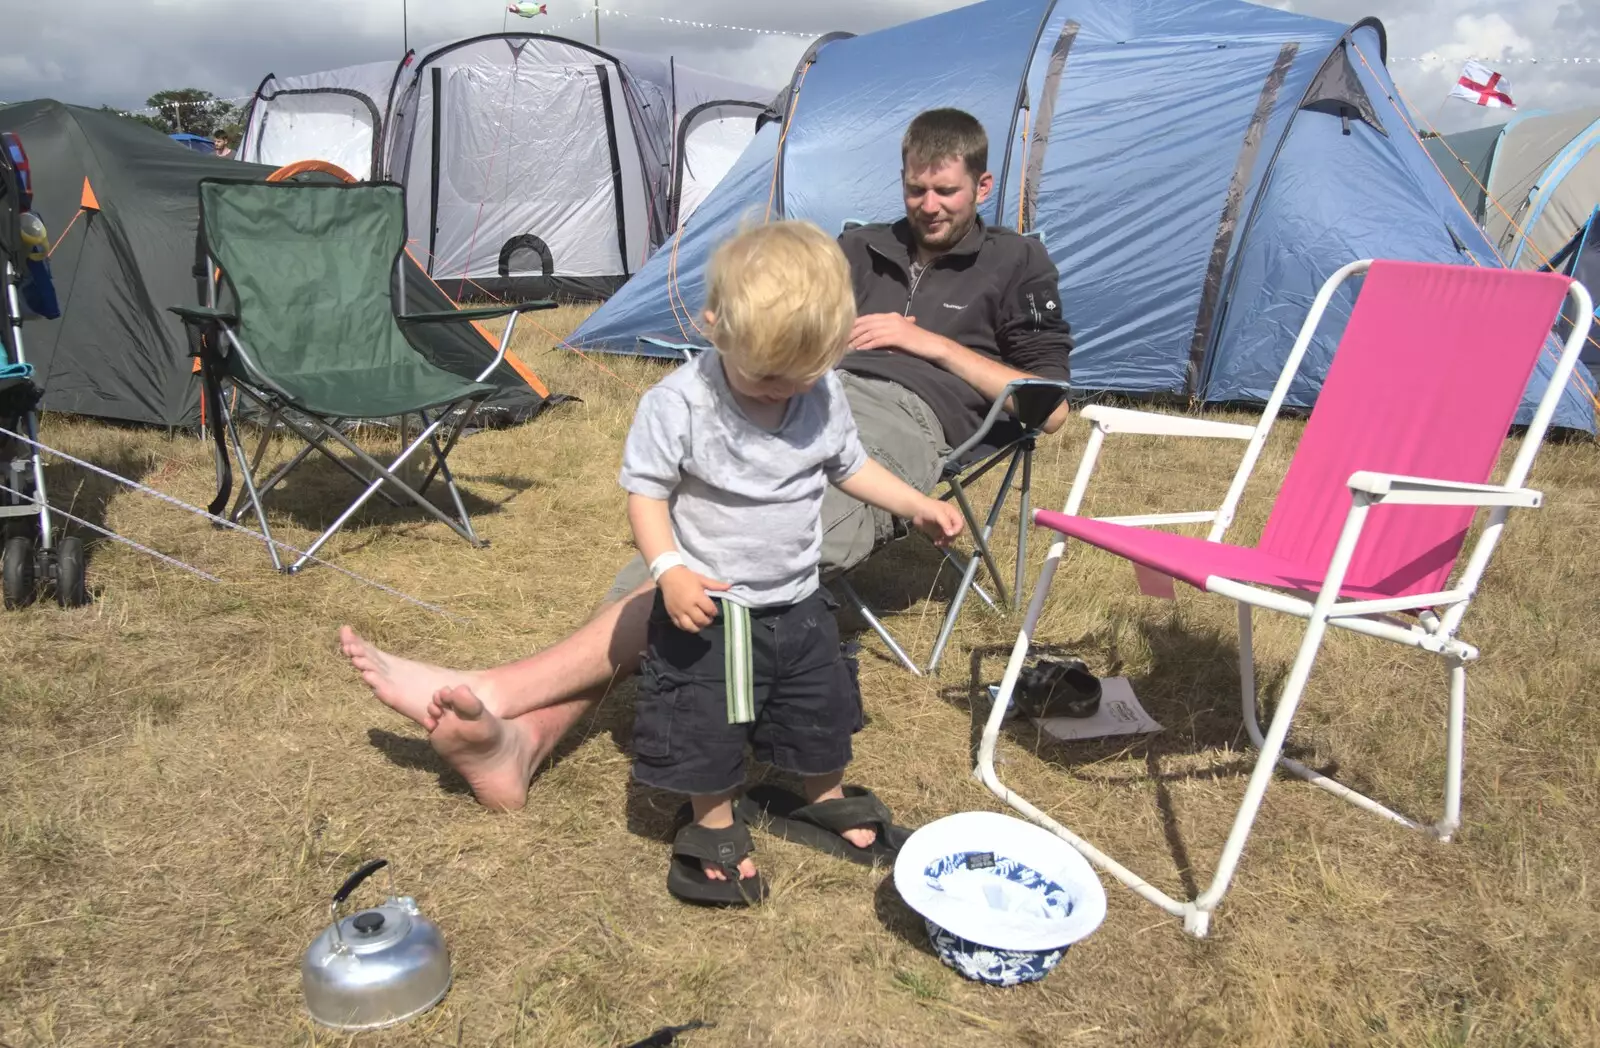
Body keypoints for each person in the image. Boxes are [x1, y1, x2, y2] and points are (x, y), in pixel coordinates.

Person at [338, 106, 1075, 812]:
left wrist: (930, 344)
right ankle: (524, 739)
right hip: (798, 391)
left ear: (981, 186)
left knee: (742, 551)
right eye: (915, 188)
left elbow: (1052, 403)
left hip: (901, 421)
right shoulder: (858, 249)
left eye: (945, 191)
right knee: (684, 552)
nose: (928, 205)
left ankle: (499, 693)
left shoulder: (1015, 262)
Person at [619, 219, 962, 904]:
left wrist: (915, 503)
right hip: (715, 606)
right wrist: (669, 570)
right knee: (707, 723)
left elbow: (850, 464)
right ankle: (712, 825)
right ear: (716, 328)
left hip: (800, 595)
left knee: (820, 710)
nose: (783, 391)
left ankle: (823, 798)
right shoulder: (679, 404)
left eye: (804, 376)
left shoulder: (818, 390)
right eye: (767, 376)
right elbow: (646, 493)